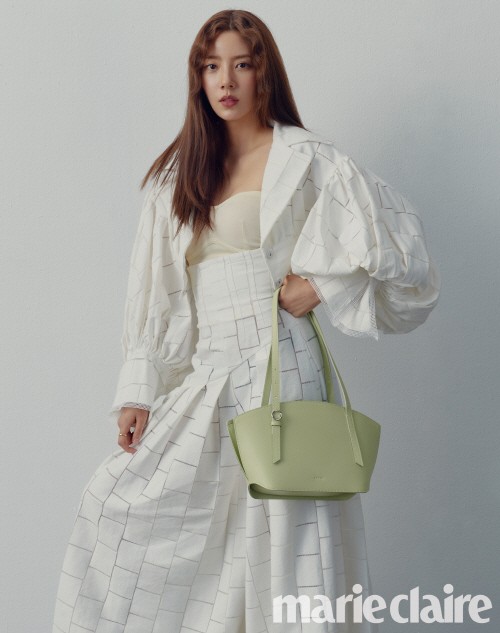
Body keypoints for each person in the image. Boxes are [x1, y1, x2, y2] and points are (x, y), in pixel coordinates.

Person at [52, 9, 440, 633]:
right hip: (210, 375)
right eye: (211, 67)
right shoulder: (179, 174)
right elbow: (158, 295)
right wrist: (139, 391)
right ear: (198, 78)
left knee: (286, 544)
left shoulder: (308, 159)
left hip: (284, 371)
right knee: (118, 506)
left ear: (265, 73)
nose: (226, 81)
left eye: (242, 64)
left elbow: (403, 253)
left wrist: (322, 284)